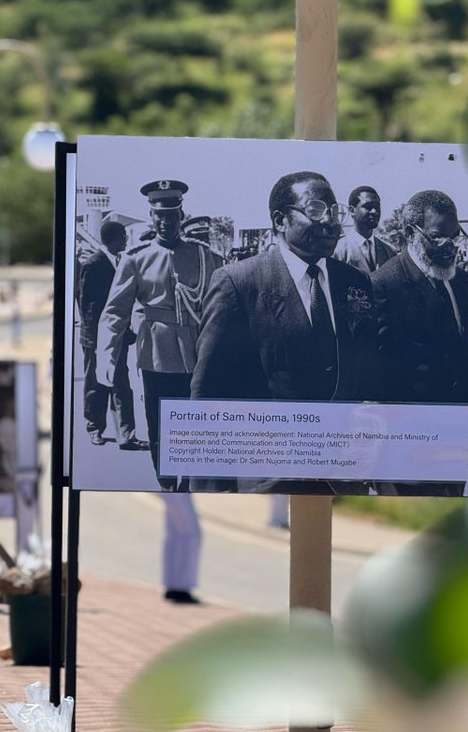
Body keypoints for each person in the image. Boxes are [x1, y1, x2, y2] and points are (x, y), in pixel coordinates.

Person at [191, 170, 379, 494]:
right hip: (269, 483)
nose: (330, 222)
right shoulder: (239, 284)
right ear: (280, 220)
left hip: (344, 481)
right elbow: (208, 399)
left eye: (335, 212)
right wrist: (214, 498)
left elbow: (369, 375)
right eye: (316, 210)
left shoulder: (355, 282)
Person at [96, 179, 223, 491]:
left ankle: (188, 481)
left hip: (197, 351)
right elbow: (115, 311)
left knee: (193, 421)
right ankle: (166, 481)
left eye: (172, 216)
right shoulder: (136, 259)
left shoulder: (204, 256)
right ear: (151, 218)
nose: (165, 222)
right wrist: (106, 356)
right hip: (156, 352)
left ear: (181, 216)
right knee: (160, 421)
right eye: (159, 216)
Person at [371, 189, 468, 496]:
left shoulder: (460, 280)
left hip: (455, 440)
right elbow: (374, 373)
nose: (448, 246)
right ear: (408, 233)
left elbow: (464, 347)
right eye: (437, 237)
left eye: (455, 236)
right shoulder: (383, 285)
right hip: (406, 449)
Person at [75, 220, 145, 451]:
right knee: (96, 385)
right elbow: (87, 307)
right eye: (123, 236)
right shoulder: (93, 264)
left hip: (118, 337)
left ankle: (126, 435)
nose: (126, 240)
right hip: (97, 340)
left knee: (122, 385)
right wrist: (97, 342)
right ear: (114, 238)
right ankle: (94, 428)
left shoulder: (121, 262)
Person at [333, 184, 395, 274]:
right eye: (368, 207)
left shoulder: (389, 251)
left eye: (377, 207)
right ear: (352, 210)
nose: (374, 211)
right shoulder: (338, 252)